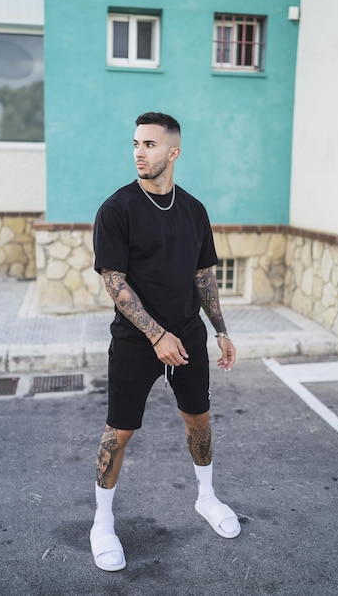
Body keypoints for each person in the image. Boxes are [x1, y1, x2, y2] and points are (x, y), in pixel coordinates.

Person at [90, 112, 240, 572]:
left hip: (189, 336)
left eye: (150, 145)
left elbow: (203, 276)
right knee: (120, 431)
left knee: (199, 420)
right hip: (138, 340)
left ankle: (207, 498)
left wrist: (220, 329)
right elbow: (114, 282)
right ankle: (101, 522)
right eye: (136, 143)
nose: (139, 151)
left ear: (173, 152)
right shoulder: (116, 209)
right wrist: (156, 335)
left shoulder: (194, 210)